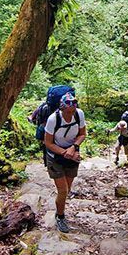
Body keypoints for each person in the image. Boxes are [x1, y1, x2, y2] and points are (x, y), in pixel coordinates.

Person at [44, 92, 86, 233]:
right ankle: (60, 217)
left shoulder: (79, 114)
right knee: (63, 190)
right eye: (68, 111)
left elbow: (82, 134)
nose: (70, 114)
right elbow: (48, 143)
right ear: (62, 109)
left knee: (67, 189)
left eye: (73, 110)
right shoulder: (53, 119)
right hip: (55, 156)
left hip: (72, 153)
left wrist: (73, 148)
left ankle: (59, 210)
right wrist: (65, 152)